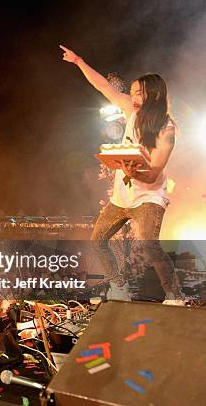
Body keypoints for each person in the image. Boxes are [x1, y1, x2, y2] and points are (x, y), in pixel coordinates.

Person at [60, 45, 184, 305]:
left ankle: (174, 295)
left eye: (139, 92)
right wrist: (79, 61)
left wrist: (133, 171)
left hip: (149, 196)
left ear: (154, 95)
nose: (132, 96)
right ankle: (118, 286)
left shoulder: (166, 129)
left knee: (150, 245)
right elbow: (104, 87)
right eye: (132, 91)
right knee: (98, 241)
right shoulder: (130, 110)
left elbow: (153, 174)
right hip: (122, 197)